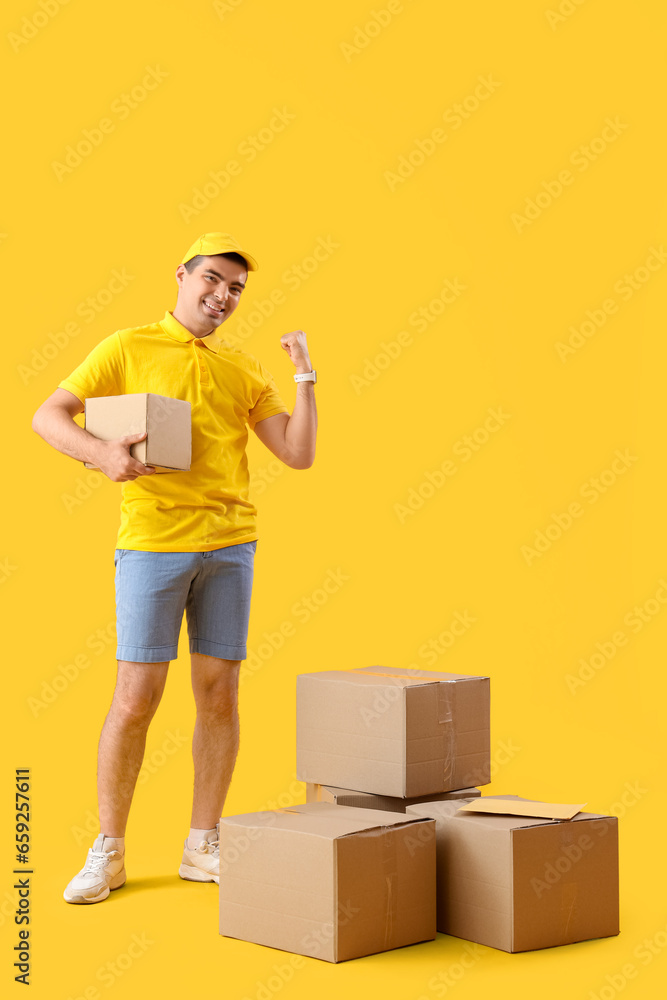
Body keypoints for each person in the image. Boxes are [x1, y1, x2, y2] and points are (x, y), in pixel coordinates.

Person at [31, 232, 318, 904]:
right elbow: (48, 416)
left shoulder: (243, 367)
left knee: (219, 696)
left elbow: (297, 453)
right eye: (212, 280)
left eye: (236, 289)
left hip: (230, 547)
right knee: (136, 699)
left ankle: (202, 845)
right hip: (153, 543)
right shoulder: (128, 347)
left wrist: (304, 372)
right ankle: (109, 850)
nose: (223, 296)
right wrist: (102, 455)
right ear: (182, 276)